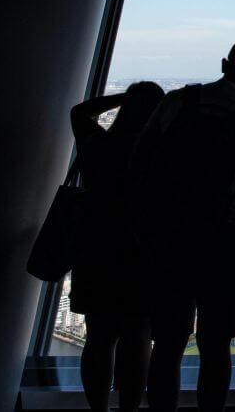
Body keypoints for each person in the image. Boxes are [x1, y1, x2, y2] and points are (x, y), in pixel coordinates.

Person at [132, 40, 235, 412]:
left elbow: (141, 160)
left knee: (167, 342)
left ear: (224, 63)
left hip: (169, 235)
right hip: (224, 239)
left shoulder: (177, 101)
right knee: (216, 345)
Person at [69, 82, 165, 412]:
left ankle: (97, 409)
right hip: (143, 252)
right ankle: (129, 408)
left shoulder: (98, 145)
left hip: (96, 248)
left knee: (98, 337)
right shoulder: (160, 156)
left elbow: (80, 112)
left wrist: (127, 98)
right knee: (138, 337)